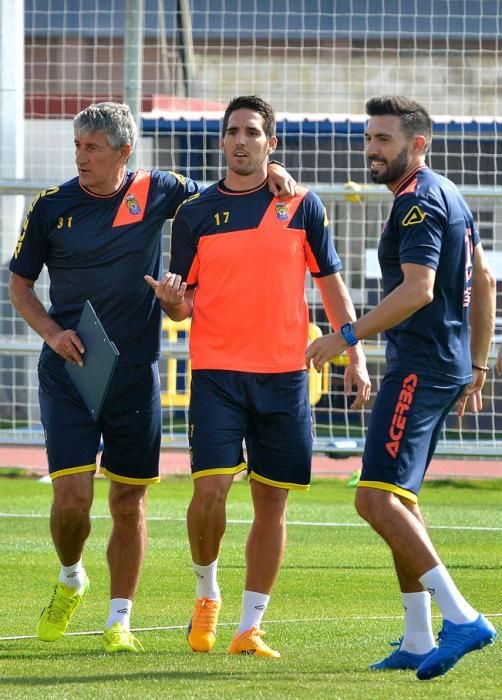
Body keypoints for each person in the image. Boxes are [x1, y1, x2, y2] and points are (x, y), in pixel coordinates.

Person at [8, 101, 295, 653]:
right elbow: (20, 284)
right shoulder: (50, 207)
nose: (80, 157)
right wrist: (50, 333)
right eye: (77, 146)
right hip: (69, 370)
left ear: (124, 152)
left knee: (126, 501)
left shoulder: (158, 188)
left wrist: (271, 176)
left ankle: (120, 620)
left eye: (92, 147)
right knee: (71, 499)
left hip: (135, 373)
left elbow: (225, 192)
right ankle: (71, 578)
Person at [146, 94, 371, 658]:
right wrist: (174, 302)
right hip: (218, 373)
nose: (241, 140)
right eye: (232, 132)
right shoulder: (195, 213)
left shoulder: (301, 204)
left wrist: (355, 353)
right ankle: (206, 595)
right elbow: (184, 305)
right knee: (210, 491)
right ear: (221, 142)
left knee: (274, 504)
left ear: (271, 144)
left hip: (286, 377)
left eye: (252, 132)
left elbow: (330, 283)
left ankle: (249, 628)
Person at [306, 95, 497, 680]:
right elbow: (485, 280)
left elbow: (417, 289)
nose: (371, 149)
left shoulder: (417, 201)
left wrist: (346, 336)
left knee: (373, 498)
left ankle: (462, 617)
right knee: (401, 501)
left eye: (383, 140)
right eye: (368, 138)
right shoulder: (448, 192)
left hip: (419, 366)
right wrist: (478, 366)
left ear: (418, 144)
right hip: (444, 365)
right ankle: (417, 638)